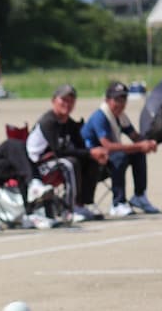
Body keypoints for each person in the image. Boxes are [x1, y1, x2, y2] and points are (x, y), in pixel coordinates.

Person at [26, 84, 109, 222]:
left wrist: (95, 154)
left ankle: (82, 203)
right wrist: (90, 152)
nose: (67, 104)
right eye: (63, 100)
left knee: (90, 161)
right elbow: (59, 150)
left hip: (55, 160)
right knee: (70, 164)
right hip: (36, 166)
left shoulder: (69, 123)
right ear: (54, 101)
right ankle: (68, 209)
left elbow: (80, 146)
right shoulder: (48, 121)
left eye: (71, 101)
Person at [80, 81, 160, 217]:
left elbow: (135, 137)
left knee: (137, 153)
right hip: (92, 163)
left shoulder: (121, 116)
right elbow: (108, 146)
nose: (121, 103)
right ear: (107, 100)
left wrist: (149, 143)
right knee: (120, 156)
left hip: (108, 159)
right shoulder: (100, 117)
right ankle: (117, 203)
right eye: (117, 99)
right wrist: (139, 145)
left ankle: (140, 196)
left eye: (124, 99)